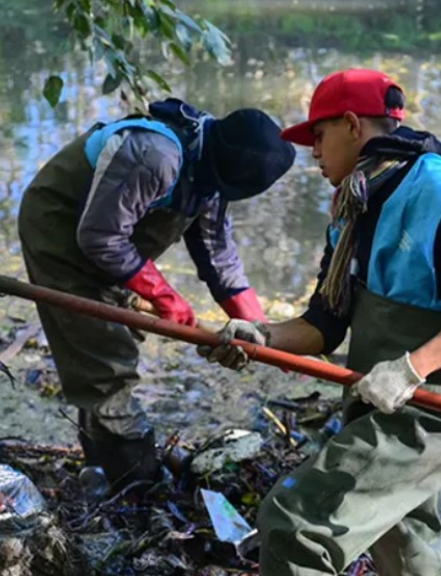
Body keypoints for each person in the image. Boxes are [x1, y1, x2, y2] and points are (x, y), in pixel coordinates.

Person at [199, 69, 441, 575]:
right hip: (381, 391)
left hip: (438, 402)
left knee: (294, 524)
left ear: (353, 125)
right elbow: (325, 323)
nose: (313, 153)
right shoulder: (354, 203)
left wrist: (411, 370)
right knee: (403, 534)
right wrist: (261, 336)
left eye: (319, 136)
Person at [18, 98, 295, 490]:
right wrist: (166, 297)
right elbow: (100, 236)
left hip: (113, 242)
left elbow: (219, 256)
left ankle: (99, 463)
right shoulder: (155, 156)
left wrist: (267, 334)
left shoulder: (214, 177)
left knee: (114, 338)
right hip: (63, 233)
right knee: (105, 358)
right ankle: (135, 480)